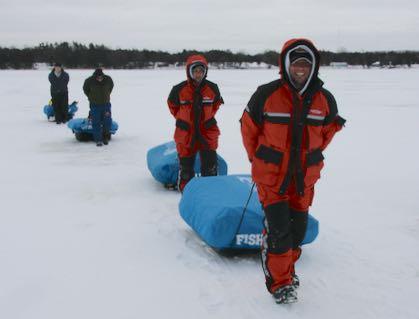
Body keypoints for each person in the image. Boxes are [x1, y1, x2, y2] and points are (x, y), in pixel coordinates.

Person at [240, 38, 346, 304]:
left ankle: (286, 269)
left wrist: (311, 160)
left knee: (297, 232)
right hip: (271, 177)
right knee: (279, 231)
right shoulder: (266, 94)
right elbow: (249, 130)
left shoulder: (325, 100)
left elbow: (327, 133)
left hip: (303, 179)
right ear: (286, 65)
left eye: (305, 64)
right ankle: (281, 283)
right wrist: (260, 159)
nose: (300, 69)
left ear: (313, 67)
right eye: (296, 63)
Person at [167, 54, 224, 192]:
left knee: (210, 167)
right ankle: (187, 193)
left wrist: (206, 119)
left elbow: (215, 105)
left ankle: (209, 193)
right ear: (189, 72)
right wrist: (184, 120)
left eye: (201, 71)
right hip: (186, 133)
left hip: (207, 132)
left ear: (205, 72)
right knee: (186, 168)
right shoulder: (178, 89)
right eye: (195, 71)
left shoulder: (212, 88)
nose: (198, 74)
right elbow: (172, 106)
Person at [83, 68, 114, 146]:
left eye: (101, 77)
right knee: (96, 122)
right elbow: (86, 90)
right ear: (95, 76)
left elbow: (111, 88)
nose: (99, 78)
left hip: (106, 105)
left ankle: (105, 137)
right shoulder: (89, 81)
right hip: (95, 105)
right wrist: (91, 97)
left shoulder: (108, 79)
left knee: (107, 121)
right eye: (98, 77)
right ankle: (98, 140)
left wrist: (106, 95)